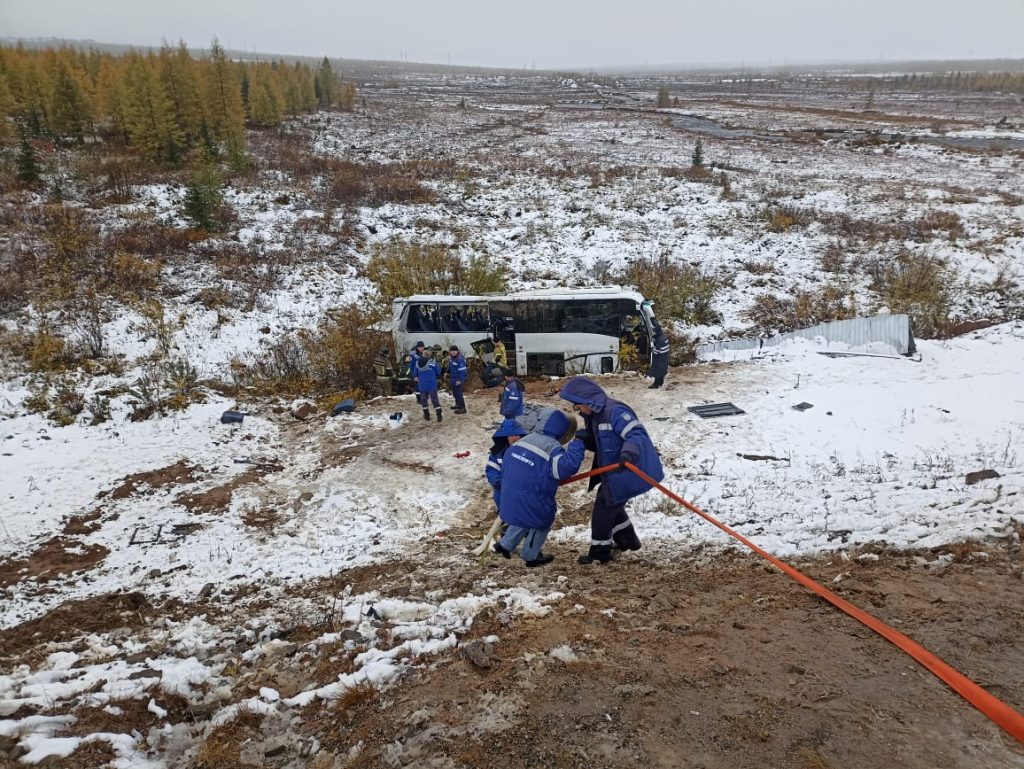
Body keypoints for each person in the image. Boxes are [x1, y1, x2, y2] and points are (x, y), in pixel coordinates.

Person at [559, 376, 664, 565]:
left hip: (631, 469)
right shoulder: (594, 417)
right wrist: (586, 440)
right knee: (610, 502)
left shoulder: (615, 412)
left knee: (603, 511)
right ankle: (628, 539)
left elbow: (635, 435)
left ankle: (600, 553)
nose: (578, 410)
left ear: (587, 401)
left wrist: (628, 454)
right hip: (615, 472)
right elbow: (603, 442)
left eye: (578, 406)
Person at [494, 409, 585, 567]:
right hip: (533, 500)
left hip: (508, 498)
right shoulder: (552, 447)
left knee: (523, 514)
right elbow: (564, 469)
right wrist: (577, 444)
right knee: (541, 520)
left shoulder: (525, 440)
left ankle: (505, 545)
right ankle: (531, 556)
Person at [485, 418, 527, 513]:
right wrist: (498, 481)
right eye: (511, 435)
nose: (514, 438)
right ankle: (504, 517)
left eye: (517, 435)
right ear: (506, 437)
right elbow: (492, 469)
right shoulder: (498, 453)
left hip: (524, 489)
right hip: (504, 488)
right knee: (499, 497)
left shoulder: (528, 452)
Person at [415, 352, 443, 422]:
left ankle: (427, 416)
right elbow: (438, 372)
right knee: (435, 400)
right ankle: (439, 416)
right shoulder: (433, 363)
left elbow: (415, 373)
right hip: (432, 385)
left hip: (422, 385)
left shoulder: (417, 363)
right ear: (429, 356)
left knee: (424, 401)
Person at [447, 345, 468, 414]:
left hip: (458, 379)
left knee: (459, 394)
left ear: (457, 351)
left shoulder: (460, 359)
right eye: (451, 351)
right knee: (455, 393)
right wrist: (447, 372)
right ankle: (457, 404)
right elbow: (450, 366)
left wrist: (460, 380)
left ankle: (462, 408)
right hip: (453, 378)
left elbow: (463, 371)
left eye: (454, 351)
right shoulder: (452, 358)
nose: (452, 352)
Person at [648, 323, 670, 389]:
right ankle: (661, 382)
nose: (654, 333)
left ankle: (656, 384)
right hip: (665, 356)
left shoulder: (659, 340)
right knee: (662, 369)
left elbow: (656, 351)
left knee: (657, 370)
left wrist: (652, 349)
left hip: (659, 357)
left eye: (654, 332)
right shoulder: (664, 336)